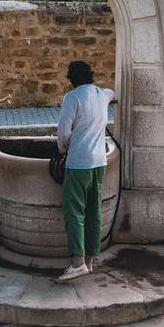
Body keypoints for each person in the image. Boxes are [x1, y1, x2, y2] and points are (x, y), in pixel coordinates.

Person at [56, 60, 116, 281]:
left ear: (71, 79)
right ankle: (90, 262)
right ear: (91, 76)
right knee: (94, 212)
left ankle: (77, 263)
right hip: (100, 162)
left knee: (75, 213)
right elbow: (114, 93)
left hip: (78, 163)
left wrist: (62, 149)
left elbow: (63, 133)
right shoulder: (103, 94)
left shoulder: (72, 98)